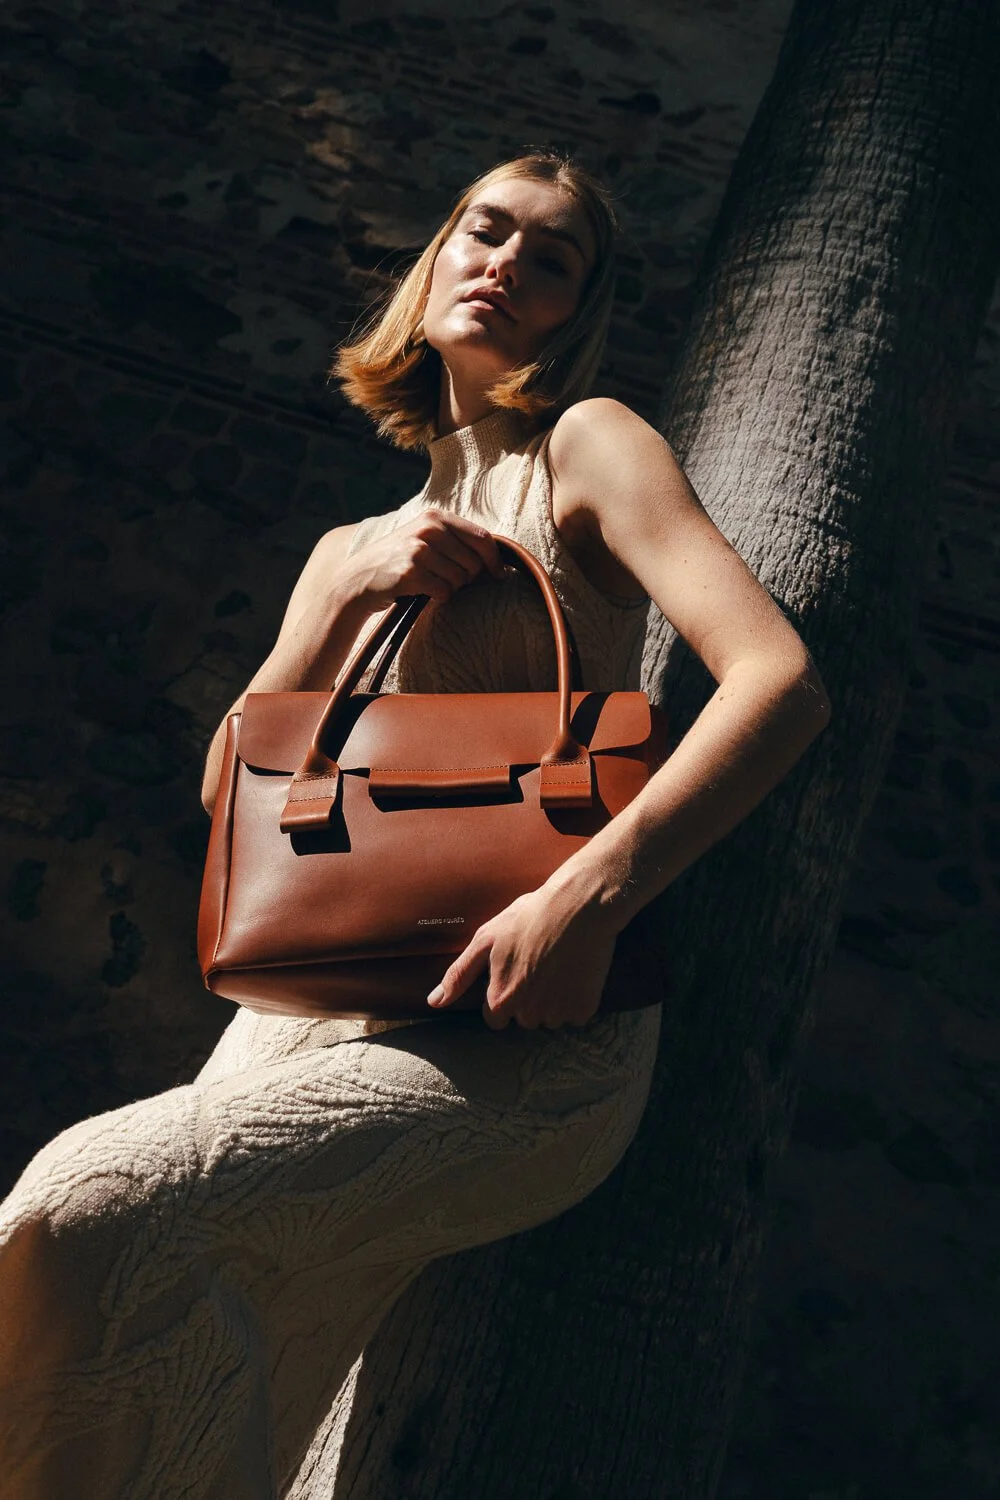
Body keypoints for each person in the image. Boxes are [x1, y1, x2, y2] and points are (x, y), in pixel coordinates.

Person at [0, 151, 830, 1498]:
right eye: (484, 232)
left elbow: (780, 682)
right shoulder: (352, 543)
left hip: (516, 1036)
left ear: (577, 310)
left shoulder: (590, 444)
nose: (505, 262)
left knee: (84, 1199)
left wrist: (587, 898)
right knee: (210, 1369)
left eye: (549, 257)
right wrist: (341, 605)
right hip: (305, 1009)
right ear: (432, 261)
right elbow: (231, 799)